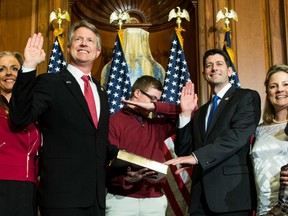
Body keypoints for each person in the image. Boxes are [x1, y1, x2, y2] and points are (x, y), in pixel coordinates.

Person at [9, 20, 118, 216]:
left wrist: (129, 162)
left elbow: (96, 141)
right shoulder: (50, 83)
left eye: (90, 41)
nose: (84, 43)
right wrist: (28, 67)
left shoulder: (101, 92)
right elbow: (19, 117)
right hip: (62, 198)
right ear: (69, 47)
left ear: (98, 52)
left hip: (95, 199)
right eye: (78, 39)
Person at [165, 48, 261, 216]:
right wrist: (186, 114)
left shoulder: (246, 97)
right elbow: (185, 151)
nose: (214, 68)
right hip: (199, 200)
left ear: (230, 71)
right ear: (204, 73)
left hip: (231, 199)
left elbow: (237, 137)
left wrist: (196, 157)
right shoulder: (200, 112)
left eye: (219, 64)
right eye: (209, 65)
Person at [106, 75, 181, 216]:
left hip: (154, 201)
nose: (154, 104)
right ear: (137, 93)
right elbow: (107, 162)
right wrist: (125, 179)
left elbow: (186, 112)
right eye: (152, 99)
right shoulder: (113, 122)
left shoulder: (156, 125)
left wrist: (155, 106)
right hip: (121, 201)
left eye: (157, 101)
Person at [0, 51, 41, 216]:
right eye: (1, 69)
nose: (8, 73)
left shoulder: (36, 108)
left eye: (14, 68)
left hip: (28, 186)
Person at [250, 64, 288, 215]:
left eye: (286, 84)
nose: (280, 89)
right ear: (267, 92)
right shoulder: (257, 130)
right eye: (274, 86)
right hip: (263, 208)